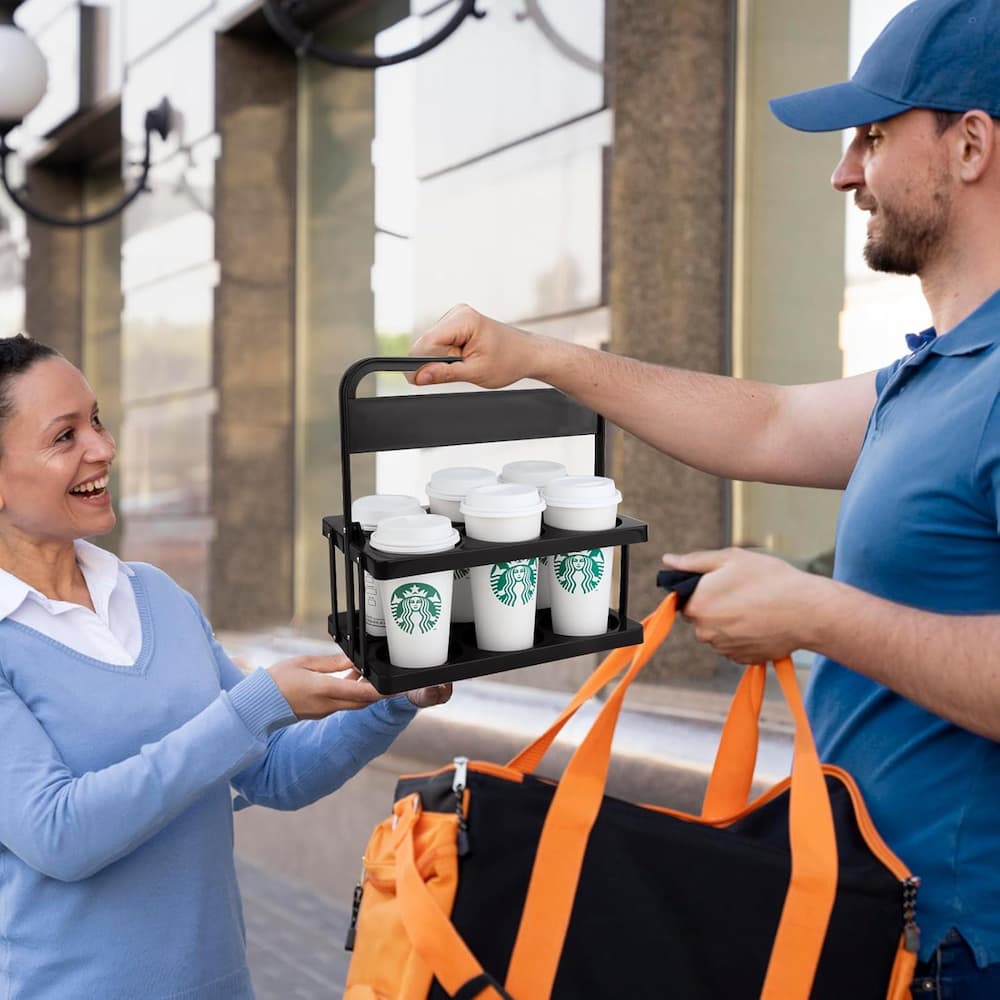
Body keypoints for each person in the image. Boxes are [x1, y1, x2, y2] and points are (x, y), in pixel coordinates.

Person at [409, 1, 1000, 996]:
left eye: (872, 136)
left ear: (971, 144)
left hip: (967, 945)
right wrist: (532, 356)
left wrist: (810, 612)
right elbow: (763, 424)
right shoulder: (935, 375)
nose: (842, 173)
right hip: (887, 928)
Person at [0, 335, 450, 999]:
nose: (102, 447)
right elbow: (59, 834)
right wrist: (253, 706)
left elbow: (271, 770)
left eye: (95, 419)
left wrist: (391, 698)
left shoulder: (153, 594)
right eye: (64, 436)